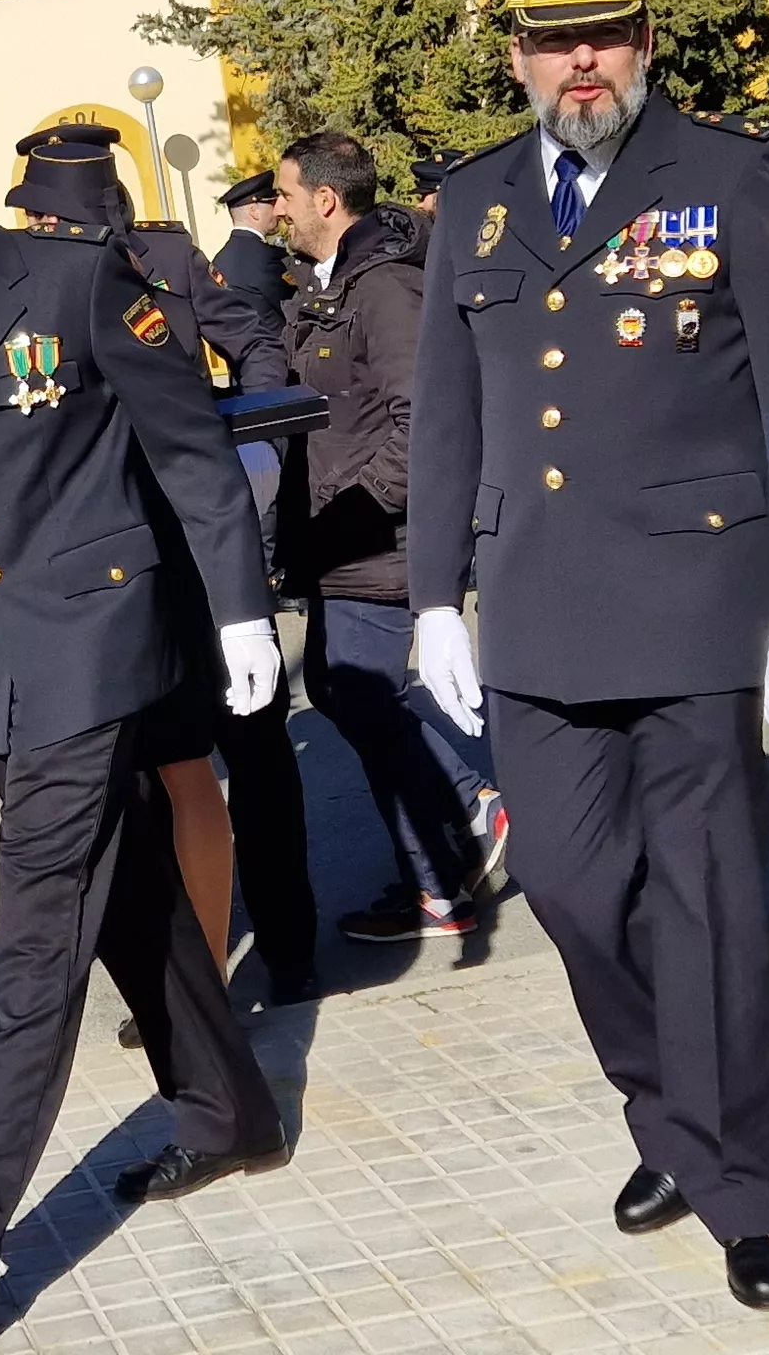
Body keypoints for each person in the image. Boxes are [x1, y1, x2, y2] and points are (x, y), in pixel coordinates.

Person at [408, 0, 769, 1313]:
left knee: (709, 900)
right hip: (535, 606)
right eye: (554, 42)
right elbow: (449, 417)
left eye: (603, 35)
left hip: (696, 600)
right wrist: (433, 597)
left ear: (646, 41)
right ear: (517, 57)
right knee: (567, 884)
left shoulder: (733, 175)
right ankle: (667, 1110)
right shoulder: (475, 201)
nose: (581, 63)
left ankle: (744, 1190)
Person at [0, 61, 287, 1336]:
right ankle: (230, 1115)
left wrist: (240, 607)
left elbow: (190, 451)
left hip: (97, 641)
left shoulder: (72, 280)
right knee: (128, 898)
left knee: (34, 937)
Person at [5, 121, 316, 1007]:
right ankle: (190, 978)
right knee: (154, 769)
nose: (51, 231)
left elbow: (254, 336)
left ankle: (289, 948)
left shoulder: (167, 259)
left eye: (57, 216)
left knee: (255, 750)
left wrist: (253, 437)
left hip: (206, 537)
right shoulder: (25, 286)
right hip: (118, 555)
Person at [266, 127, 499, 942]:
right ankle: (452, 847)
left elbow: (424, 420)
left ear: (326, 199)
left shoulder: (386, 287)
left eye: (285, 195)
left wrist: (362, 506)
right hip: (340, 534)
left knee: (360, 692)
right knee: (344, 690)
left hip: (377, 535)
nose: (278, 211)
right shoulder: (333, 281)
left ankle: (453, 849)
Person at [214, 169, 293, 316]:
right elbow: (294, 305)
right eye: (272, 203)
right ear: (254, 211)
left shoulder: (219, 261)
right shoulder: (268, 257)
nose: (278, 211)